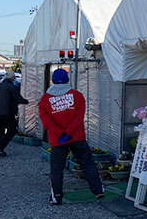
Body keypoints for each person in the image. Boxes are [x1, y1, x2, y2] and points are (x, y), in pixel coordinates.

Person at [38, 68, 104, 205]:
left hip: (57, 140)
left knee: (57, 168)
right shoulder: (77, 96)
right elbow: (79, 117)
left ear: (53, 81)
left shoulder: (45, 100)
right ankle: (98, 191)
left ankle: (57, 196)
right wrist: (69, 132)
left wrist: (61, 134)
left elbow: (46, 122)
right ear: (68, 79)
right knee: (87, 163)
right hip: (77, 136)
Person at [0, 70, 29, 157]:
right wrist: (26, 101)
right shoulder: (11, 87)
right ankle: (0, 147)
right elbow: (18, 99)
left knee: (0, 131)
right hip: (8, 112)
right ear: (12, 78)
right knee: (12, 130)